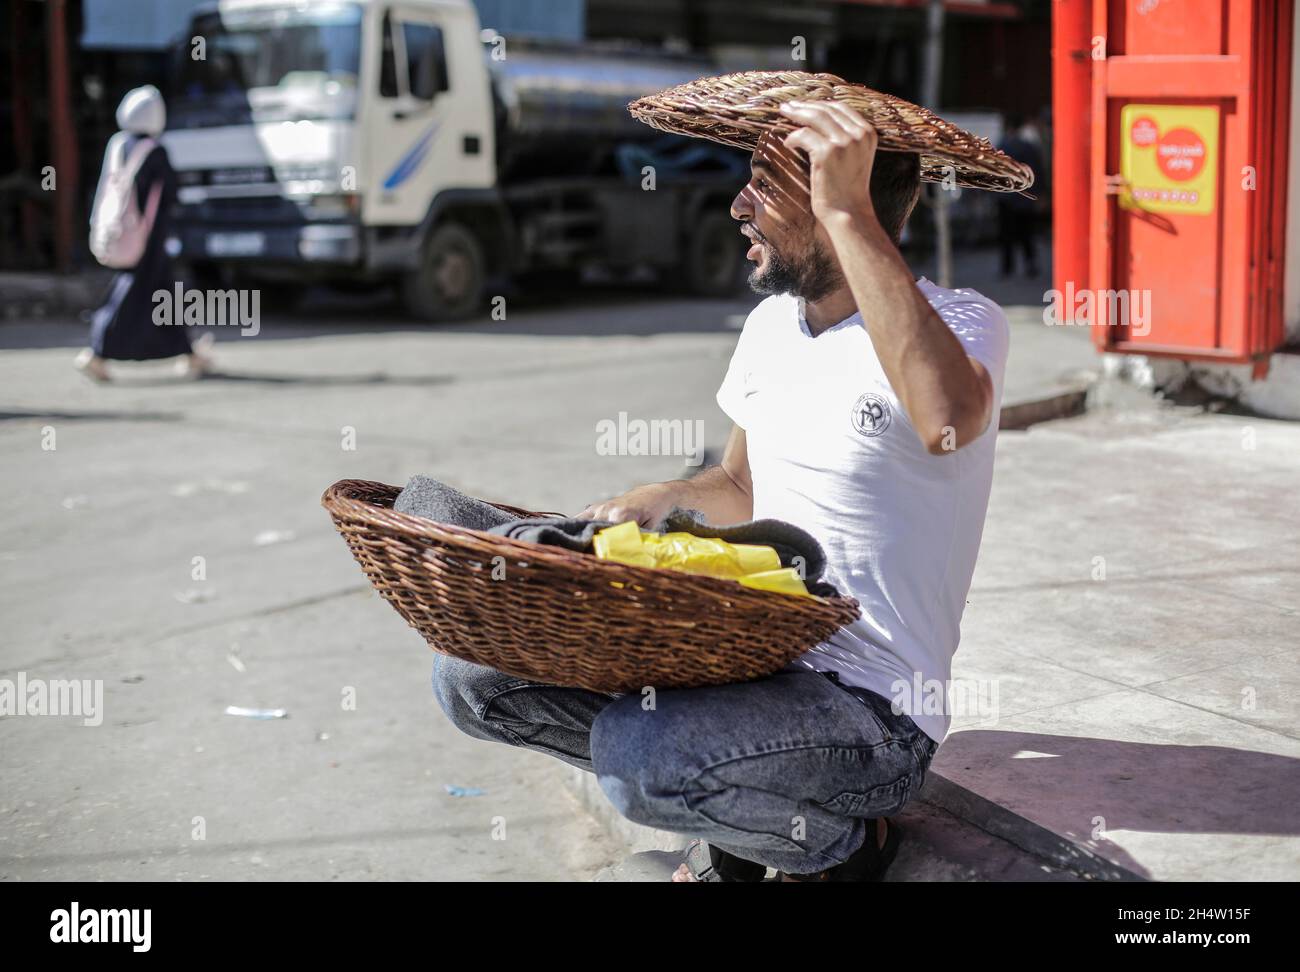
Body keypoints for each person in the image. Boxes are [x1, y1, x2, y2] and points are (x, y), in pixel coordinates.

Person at [432, 96, 1011, 881]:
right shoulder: (773, 326)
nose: (738, 205)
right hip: (752, 656)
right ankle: (739, 824)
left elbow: (948, 419)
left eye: (765, 186)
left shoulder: (959, 321)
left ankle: (842, 847)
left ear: (846, 202)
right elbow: (739, 482)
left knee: (642, 758)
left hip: (874, 714)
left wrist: (847, 210)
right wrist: (661, 496)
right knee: (474, 678)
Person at [77, 85, 212, 382]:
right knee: (136, 292)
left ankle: (189, 354)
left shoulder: (117, 144)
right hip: (148, 237)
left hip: (118, 232)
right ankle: (96, 352)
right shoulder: (154, 151)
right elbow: (170, 194)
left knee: (161, 295)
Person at [995, 113, 1044, 278]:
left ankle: (1007, 267)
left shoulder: (1001, 146)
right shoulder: (1028, 147)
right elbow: (1037, 171)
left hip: (1004, 197)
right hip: (1024, 197)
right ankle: (1030, 264)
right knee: (1026, 234)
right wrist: (1039, 193)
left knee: (1006, 235)